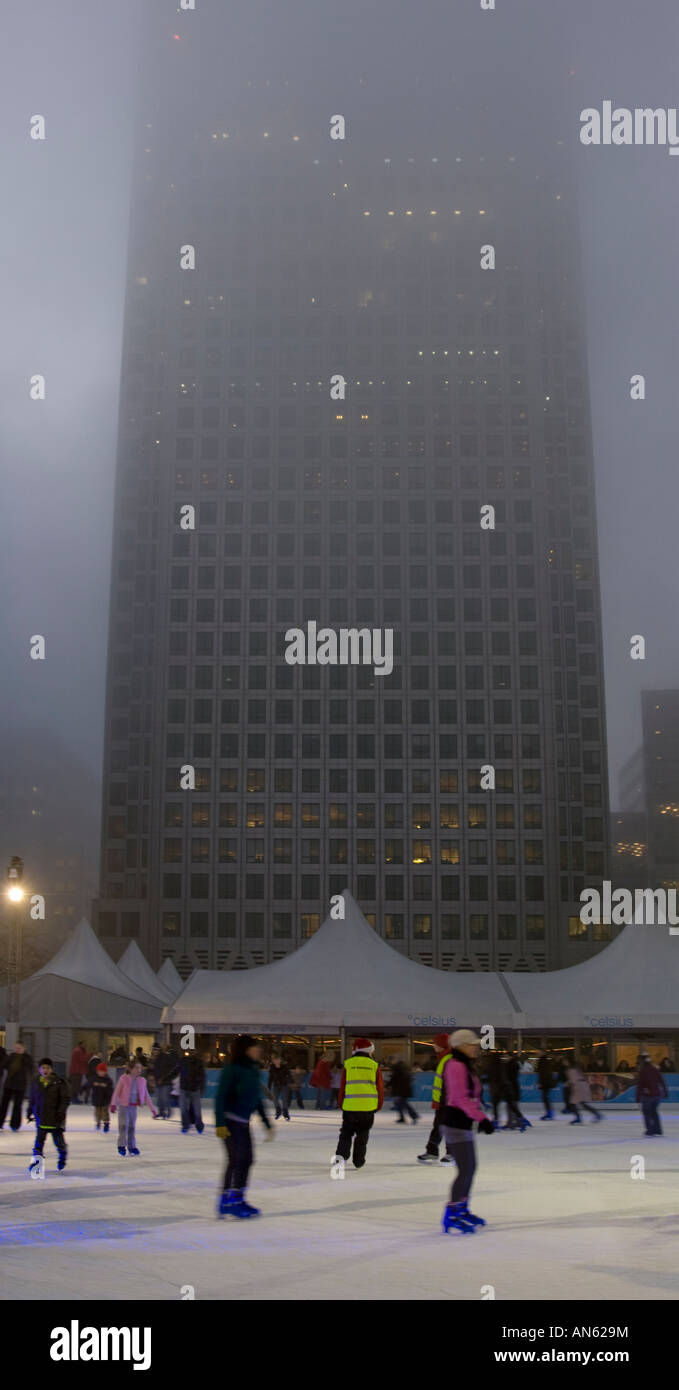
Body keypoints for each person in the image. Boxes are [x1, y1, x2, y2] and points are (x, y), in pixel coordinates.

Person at [439, 1029, 495, 1234]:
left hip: (463, 1122)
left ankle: (462, 1208)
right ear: (460, 1045)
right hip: (454, 1122)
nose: (476, 1047)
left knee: (470, 1168)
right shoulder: (454, 1065)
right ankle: (452, 1213)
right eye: (472, 1044)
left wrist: (478, 1115)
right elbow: (459, 1098)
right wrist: (481, 1118)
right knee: (466, 1169)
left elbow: (472, 1096)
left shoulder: (465, 1065)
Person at [215, 1034, 274, 1218]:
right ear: (246, 1050)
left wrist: (267, 1123)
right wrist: (220, 1123)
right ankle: (227, 1201)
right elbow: (221, 1096)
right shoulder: (232, 1070)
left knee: (247, 1159)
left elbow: (256, 1099)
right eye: (255, 1047)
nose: (259, 1050)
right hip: (230, 1121)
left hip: (243, 1123)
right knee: (236, 1160)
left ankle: (238, 1198)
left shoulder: (253, 1071)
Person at [333, 1038, 384, 1173]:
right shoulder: (374, 1065)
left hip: (350, 1106)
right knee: (363, 1134)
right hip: (368, 1108)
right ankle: (359, 1160)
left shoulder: (348, 1064)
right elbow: (379, 1088)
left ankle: (340, 1159)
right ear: (370, 1051)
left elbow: (342, 1086)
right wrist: (378, 1105)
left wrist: (341, 1103)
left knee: (346, 1134)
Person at [28, 1059, 71, 1174]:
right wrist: (29, 1111)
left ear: (51, 1069)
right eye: (43, 1068)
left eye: (47, 1068)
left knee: (59, 1143)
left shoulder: (60, 1083)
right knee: (38, 1144)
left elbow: (65, 1099)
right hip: (41, 1118)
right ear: (39, 1069)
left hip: (55, 1119)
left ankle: (62, 1156)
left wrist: (61, 1113)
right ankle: (37, 1164)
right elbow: (32, 1098)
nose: (45, 1070)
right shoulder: (36, 1082)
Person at [417, 1033, 452, 1163]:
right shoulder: (443, 1058)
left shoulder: (449, 1059)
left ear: (442, 1045)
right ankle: (432, 1152)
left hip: (449, 1101)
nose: (433, 1046)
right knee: (438, 1126)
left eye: (436, 1043)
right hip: (442, 1101)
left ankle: (452, 1153)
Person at [111, 1060, 157, 1155]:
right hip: (124, 1106)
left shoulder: (142, 1081)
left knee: (132, 1127)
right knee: (123, 1126)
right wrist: (113, 1104)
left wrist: (152, 1109)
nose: (139, 1070)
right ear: (131, 1069)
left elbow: (146, 1096)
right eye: (136, 1068)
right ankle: (121, 1145)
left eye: (140, 1068)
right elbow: (117, 1092)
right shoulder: (124, 1079)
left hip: (133, 1108)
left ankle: (132, 1146)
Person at [0, 1042, 33, 1131]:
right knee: (4, 1104)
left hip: (20, 1085)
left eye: (19, 1048)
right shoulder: (11, 1056)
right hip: (9, 1084)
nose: (17, 1050)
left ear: (23, 1048)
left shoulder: (27, 1058)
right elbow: (3, 1065)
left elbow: (31, 1069)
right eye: (16, 1048)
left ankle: (15, 1125)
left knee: (17, 1106)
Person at [636, 1052, 668, 1135]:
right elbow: (662, 1081)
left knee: (647, 1112)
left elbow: (640, 1085)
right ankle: (658, 1130)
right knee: (654, 1112)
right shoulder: (655, 1069)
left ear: (642, 1061)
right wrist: (665, 1091)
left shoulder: (642, 1071)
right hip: (657, 1095)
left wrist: (638, 1097)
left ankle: (650, 1130)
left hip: (648, 1096)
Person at [179, 1048, 206, 1133]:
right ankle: (185, 1125)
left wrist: (202, 1088)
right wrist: (165, 1078)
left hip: (194, 1089)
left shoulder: (199, 1062)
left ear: (196, 1052)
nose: (191, 1053)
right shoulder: (183, 1061)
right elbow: (175, 1070)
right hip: (184, 1088)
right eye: (190, 1051)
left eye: (193, 1051)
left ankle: (199, 1126)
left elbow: (202, 1076)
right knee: (183, 1108)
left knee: (197, 1109)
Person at [152, 1044, 179, 1119]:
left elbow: (173, 1068)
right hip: (158, 1081)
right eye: (153, 1050)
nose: (154, 1051)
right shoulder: (155, 1059)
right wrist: (154, 1079)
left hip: (166, 1082)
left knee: (165, 1098)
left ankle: (169, 1112)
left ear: (159, 1050)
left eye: (155, 1050)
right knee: (159, 1098)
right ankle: (161, 1112)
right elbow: (155, 1070)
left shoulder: (165, 1057)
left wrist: (164, 1078)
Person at [390, 1057, 419, 1124]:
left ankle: (414, 1116)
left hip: (401, 1090)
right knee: (400, 1103)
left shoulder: (398, 1070)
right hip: (404, 1090)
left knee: (403, 1104)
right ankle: (402, 1117)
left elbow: (394, 1079)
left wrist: (387, 1085)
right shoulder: (404, 1070)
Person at [268, 1053, 292, 1121]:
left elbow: (289, 1075)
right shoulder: (272, 1067)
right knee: (275, 1099)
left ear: (280, 1060)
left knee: (284, 1099)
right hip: (276, 1085)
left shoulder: (284, 1066)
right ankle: (278, 1111)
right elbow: (271, 1077)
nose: (276, 1061)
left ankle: (285, 1113)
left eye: (277, 1059)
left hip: (284, 1085)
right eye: (275, 1060)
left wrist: (287, 1080)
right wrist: (269, 1087)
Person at [91, 1063, 113, 1131]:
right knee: (97, 1112)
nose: (101, 1073)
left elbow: (111, 1089)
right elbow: (88, 1084)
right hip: (96, 1099)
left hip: (105, 1100)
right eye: (99, 1071)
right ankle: (98, 1122)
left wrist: (109, 1094)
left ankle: (106, 1123)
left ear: (105, 1072)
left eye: (102, 1071)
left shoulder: (108, 1080)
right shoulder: (94, 1079)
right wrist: (82, 1089)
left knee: (104, 1112)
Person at [536, 1051, 555, 1120]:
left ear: (543, 1053)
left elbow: (543, 1073)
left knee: (545, 1097)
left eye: (539, 1052)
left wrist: (541, 1082)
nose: (537, 1053)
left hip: (546, 1082)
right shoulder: (544, 1061)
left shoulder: (543, 1061)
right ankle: (549, 1112)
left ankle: (549, 1113)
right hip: (546, 1082)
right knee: (545, 1097)